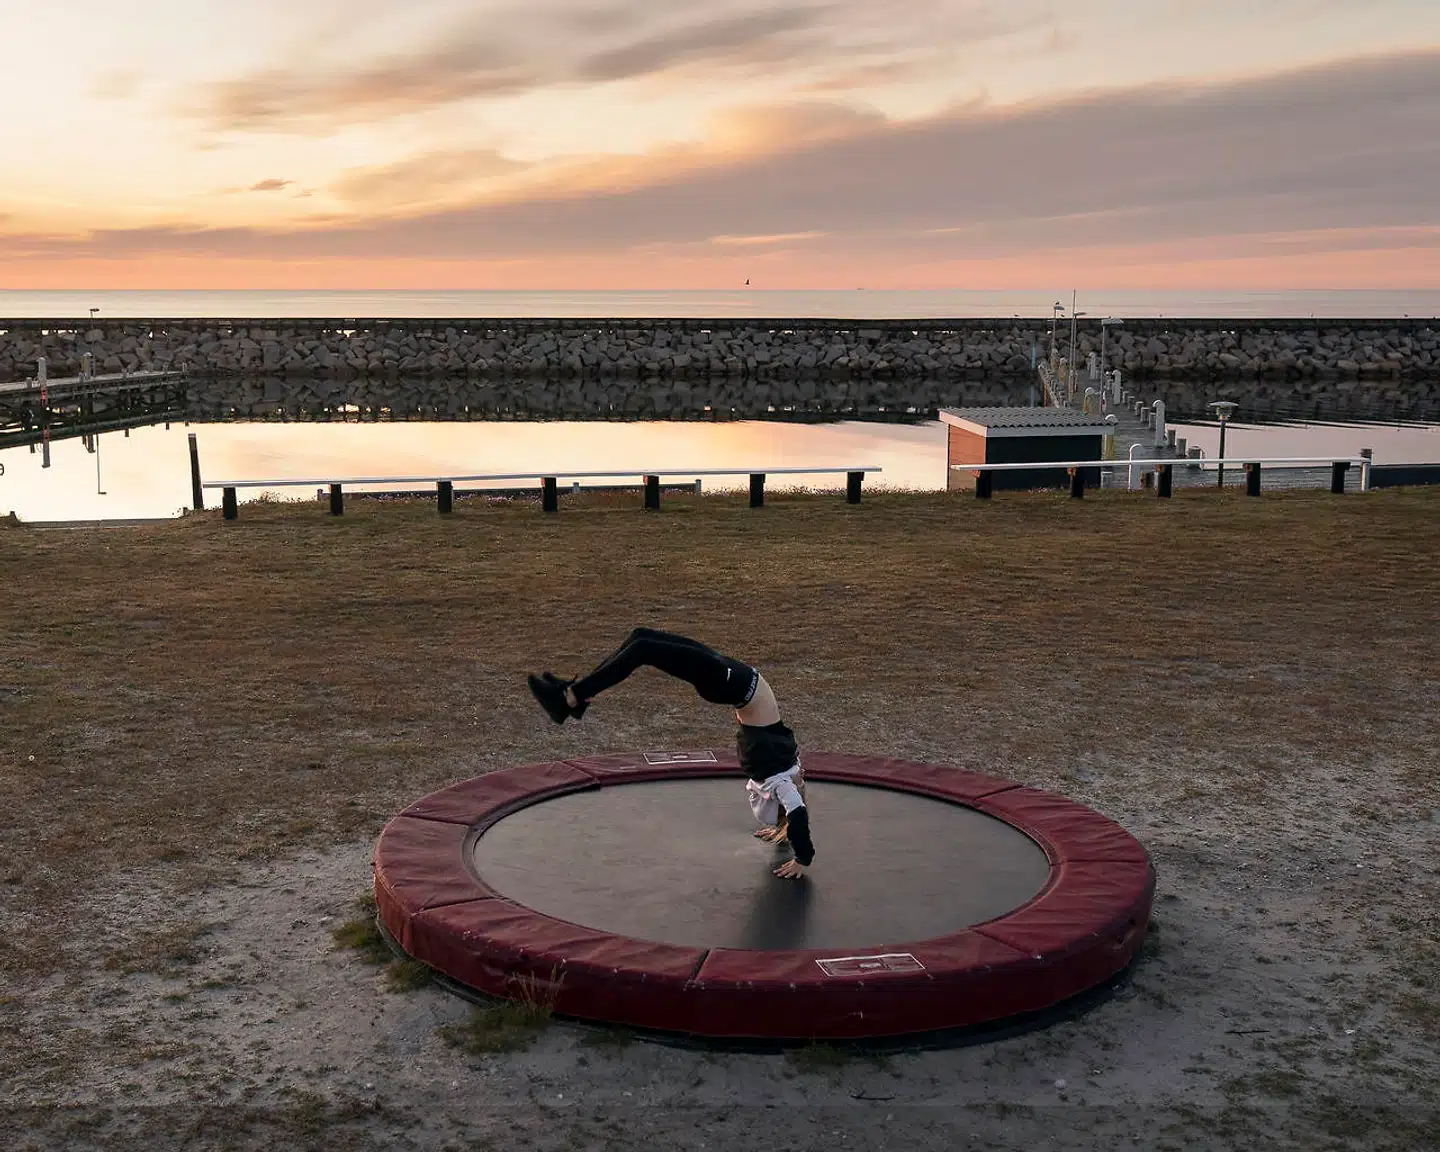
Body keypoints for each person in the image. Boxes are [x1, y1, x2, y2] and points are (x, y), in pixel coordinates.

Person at [527, 628, 813, 879]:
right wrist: (782, 827)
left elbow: (798, 812)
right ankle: (576, 697)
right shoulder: (787, 771)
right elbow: (796, 805)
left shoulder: (779, 780)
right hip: (738, 677)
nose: (802, 779)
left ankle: (570, 698)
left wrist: (802, 858)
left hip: (730, 683)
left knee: (643, 649)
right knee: (640, 635)